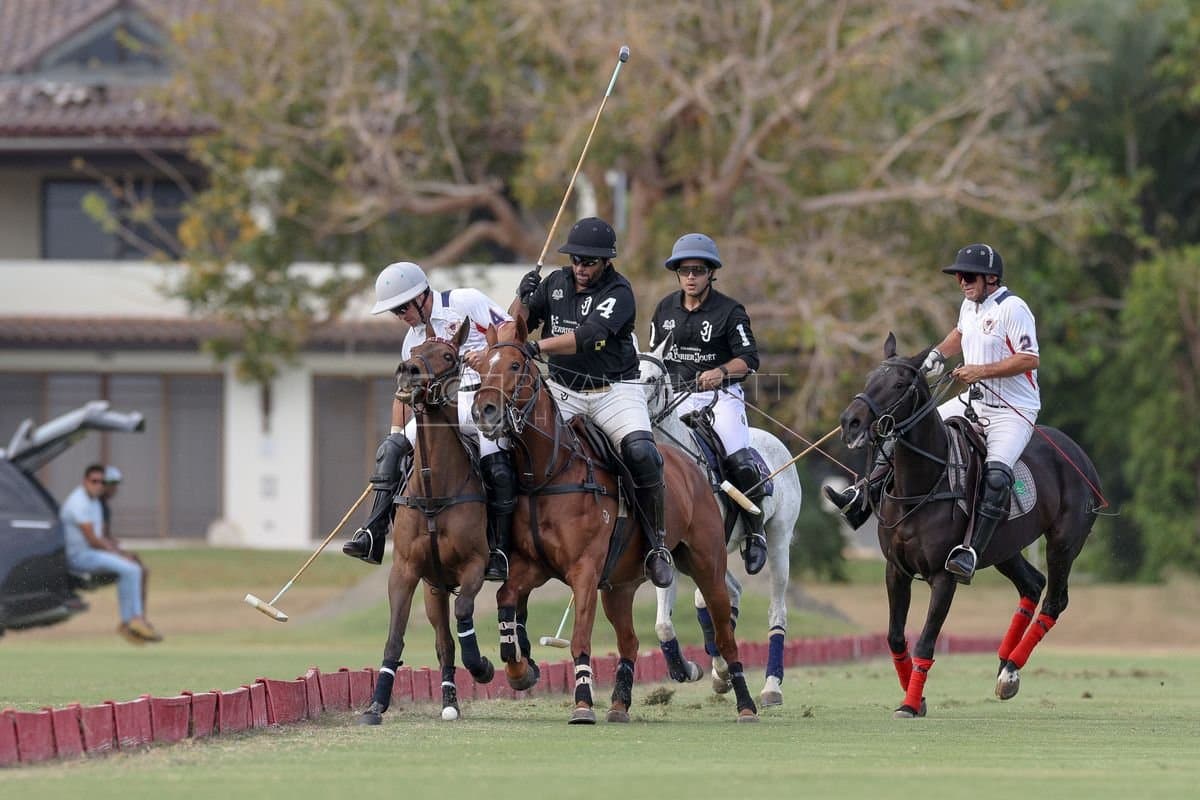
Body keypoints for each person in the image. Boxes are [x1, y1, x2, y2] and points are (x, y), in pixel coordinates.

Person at [825, 243, 1040, 583]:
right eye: (958, 277)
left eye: (968, 276)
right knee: (909, 429)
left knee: (997, 475)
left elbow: (1030, 359)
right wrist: (937, 354)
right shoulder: (970, 306)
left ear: (991, 277)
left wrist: (979, 371)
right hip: (976, 401)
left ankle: (970, 550)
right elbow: (960, 334)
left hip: (1012, 411)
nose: (962, 282)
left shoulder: (1014, 309)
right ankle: (863, 495)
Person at [515, 216, 674, 588]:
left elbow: (588, 336)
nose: (581, 268)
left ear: (606, 262)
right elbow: (516, 329)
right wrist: (521, 299)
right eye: (576, 260)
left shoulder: (619, 292)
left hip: (614, 391)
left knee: (641, 453)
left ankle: (655, 545)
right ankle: (502, 541)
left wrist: (537, 347)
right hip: (564, 388)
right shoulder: (555, 283)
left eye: (589, 262)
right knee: (512, 442)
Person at [342, 261, 517, 582]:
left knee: (497, 463)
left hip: (483, 398)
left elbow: (507, 329)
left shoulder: (464, 301)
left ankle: (501, 549)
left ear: (422, 296)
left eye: (402, 307)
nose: (401, 316)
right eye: (395, 312)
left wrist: (489, 355)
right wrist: (395, 436)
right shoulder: (412, 342)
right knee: (391, 450)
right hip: (439, 414)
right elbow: (404, 394)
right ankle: (373, 533)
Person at [647, 233, 767, 575]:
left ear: (710, 272)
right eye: (683, 270)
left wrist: (721, 371)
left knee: (739, 458)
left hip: (719, 398)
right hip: (672, 397)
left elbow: (750, 359)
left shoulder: (730, 311)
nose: (690, 277)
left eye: (697, 270)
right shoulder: (664, 309)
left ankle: (754, 532)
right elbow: (655, 355)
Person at [61, 464, 161, 644]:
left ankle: (129, 623)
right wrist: (119, 554)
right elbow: (93, 539)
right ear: (85, 481)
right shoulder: (79, 502)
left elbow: (102, 537)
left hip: (90, 552)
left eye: (102, 482)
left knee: (129, 571)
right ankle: (136, 619)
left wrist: (119, 552)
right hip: (79, 556)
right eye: (94, 481)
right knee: (132, 570)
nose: (99, 485)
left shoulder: (94, 501)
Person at [97, 465, 153, 624]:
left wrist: (115, 545)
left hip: (104, 550)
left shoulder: (104, 506)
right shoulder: (96, 505)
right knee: (138, 570)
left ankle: (138, 616)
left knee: (140, 566)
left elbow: (105, 535)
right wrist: (119, 553)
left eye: (116, 484)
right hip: (94, 553)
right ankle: (135, 618)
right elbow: (98, 538)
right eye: (111, 483)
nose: (115, 488)